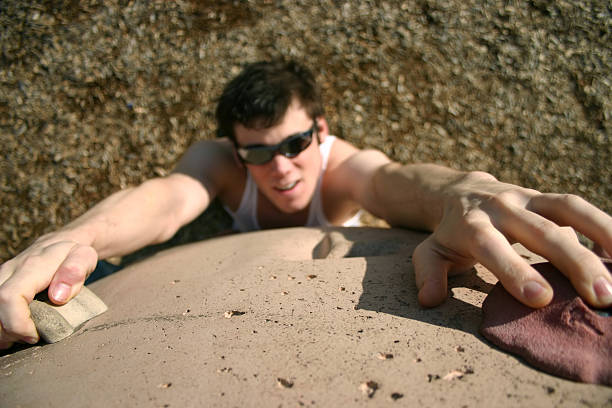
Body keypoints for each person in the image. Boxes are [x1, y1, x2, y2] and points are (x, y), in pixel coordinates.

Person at [1, 60, 611, 350]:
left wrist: (460, 193)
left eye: (295, 144)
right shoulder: (216, 164)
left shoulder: (340, 167)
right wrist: (75, 237)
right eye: (258, 153)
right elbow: (161, 202)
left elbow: (395, 180)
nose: (282, 167)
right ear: (235, 150)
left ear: (319, 129)